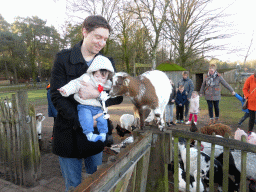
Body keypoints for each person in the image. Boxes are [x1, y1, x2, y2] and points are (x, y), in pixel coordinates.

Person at [50, 15, 123, 191]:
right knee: (74, 186)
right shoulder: (63, 58)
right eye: (98, 37)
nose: (101, 43)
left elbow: (118, 96)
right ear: (84, 32)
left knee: (97, 181)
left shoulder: (107, 63)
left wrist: (96, 93)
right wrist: (83, 121)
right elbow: (56, 96)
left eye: (105, 39)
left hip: (95, 133)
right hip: (68, 133)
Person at [58, 55, 114, 142]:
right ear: (93, 72)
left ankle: (103, 134)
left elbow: (113, 88)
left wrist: (98, 94)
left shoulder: (105, 83)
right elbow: (75, 84)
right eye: (97, 76)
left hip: (98, 107)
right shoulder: (86, 78)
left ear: (107, 77)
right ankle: (89, 135)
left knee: (102, 119)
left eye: (103, 78)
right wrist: (65, 90)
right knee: (86, 118)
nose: (99, 79)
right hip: (84, 106)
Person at [243, 70, 256, 134]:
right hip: (252, 102)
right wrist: (248, 96)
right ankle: (250, 131)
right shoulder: (250, 78)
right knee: (252, 118)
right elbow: (245, 89)